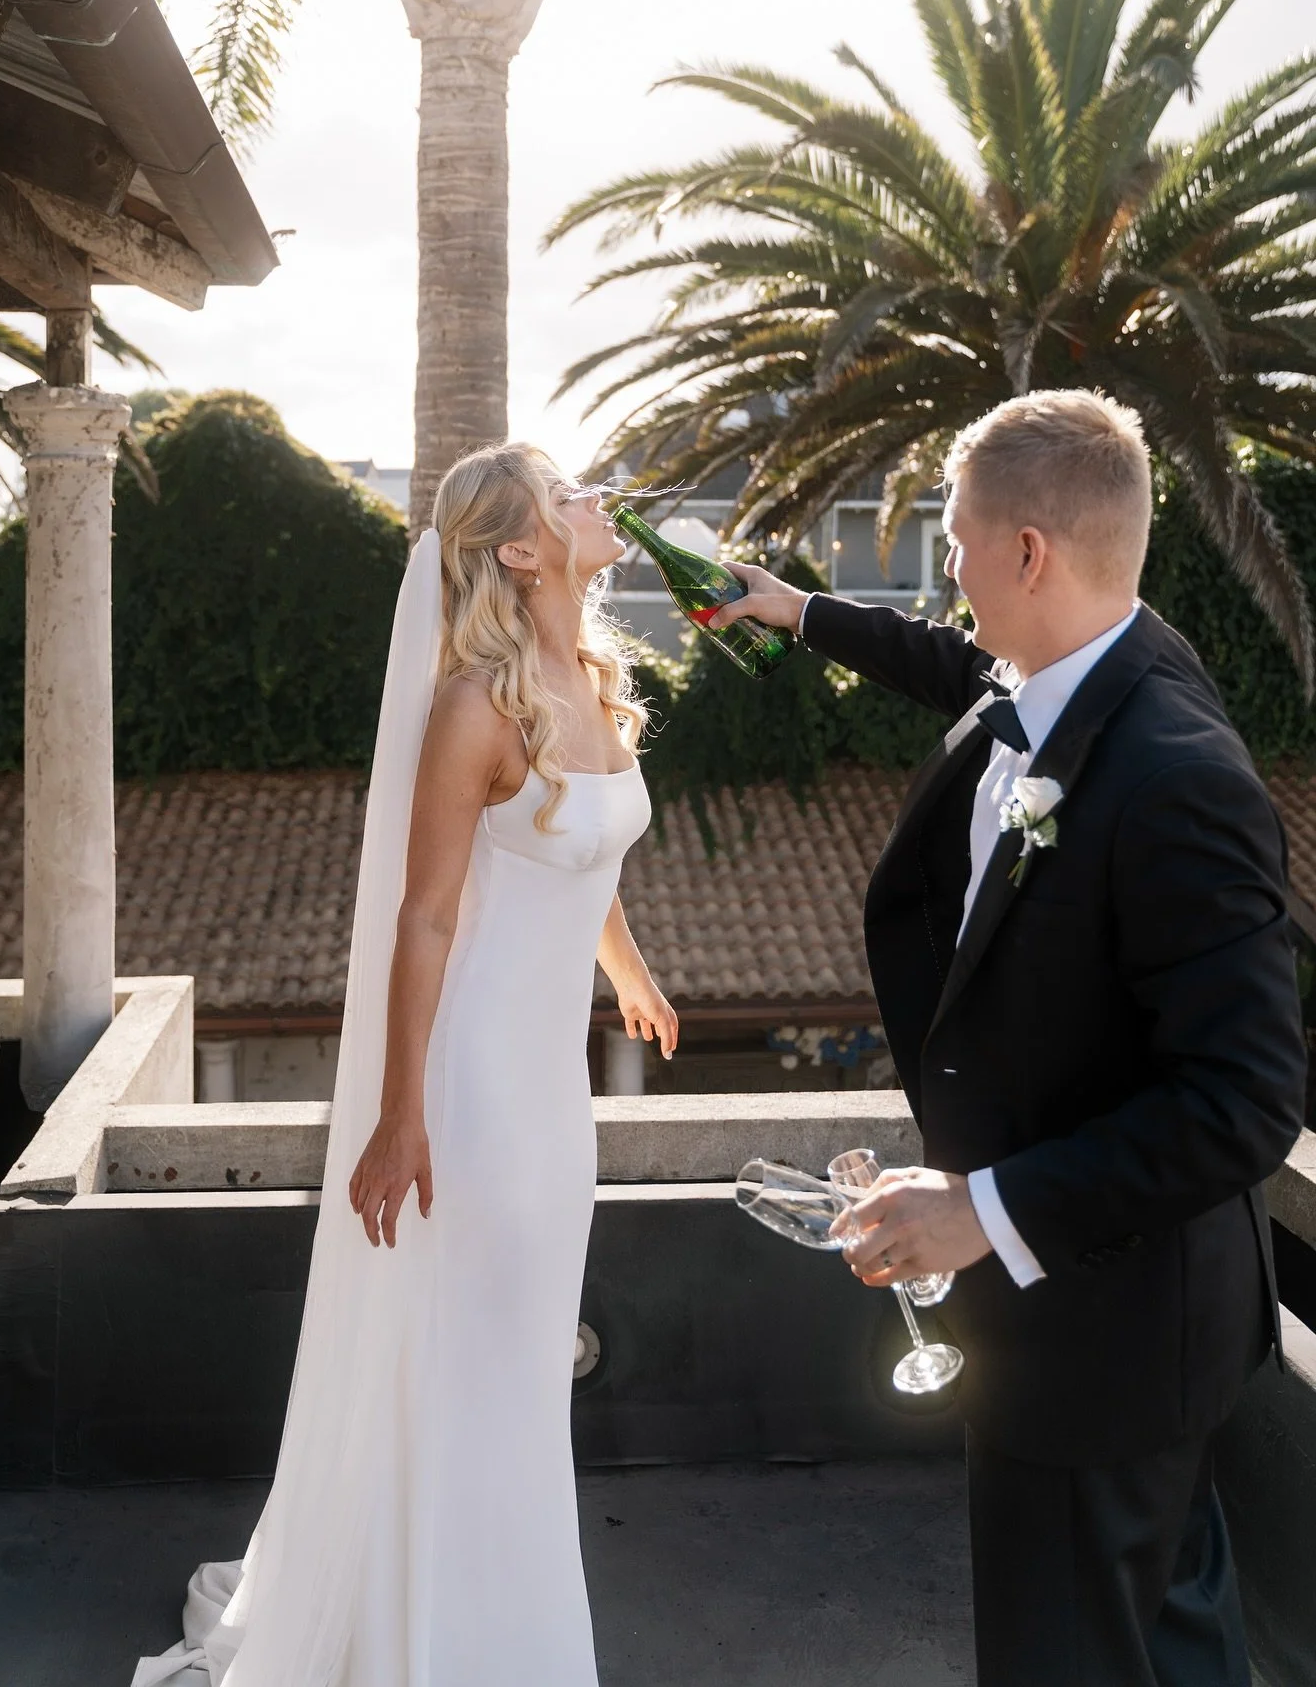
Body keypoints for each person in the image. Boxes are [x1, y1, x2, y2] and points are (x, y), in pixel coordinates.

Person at [716, 389, 1306, 1687]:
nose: (948, 570)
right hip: (1130, 1337)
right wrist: (800, 611)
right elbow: (953, 658)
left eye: (958, 540)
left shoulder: (1175, 774)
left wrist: (985, 1207)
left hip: (1107, 1344)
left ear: (1027, 554)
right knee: (1177, 1644)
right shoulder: (1095, 657)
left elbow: (1249, 1101)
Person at [132, 443, 676, 1687]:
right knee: (479, 1360)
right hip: (477, 1084)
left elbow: (582, 857)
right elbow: (424, 918)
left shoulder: (587, 677)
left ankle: (497, 1624)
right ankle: (445, 1646)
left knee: (526, 1361)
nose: (600, 503)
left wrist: (626, 968)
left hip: (555, 1091)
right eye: (570, 494)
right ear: (524, 549)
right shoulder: (475, 705)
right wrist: (398, 1115)